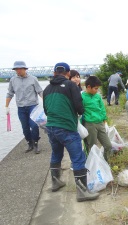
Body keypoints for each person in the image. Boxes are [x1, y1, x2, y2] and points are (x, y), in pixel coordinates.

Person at [43, 62, 99, 202]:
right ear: (68, 73)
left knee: (56, 154)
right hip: (66, 127)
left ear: (54, 73)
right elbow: (79, 108)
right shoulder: (71, 86)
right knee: (78, 157)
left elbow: (45, 110)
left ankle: (56, 182)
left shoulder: (47, 89)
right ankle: (82, 192)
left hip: (51, 127)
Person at [5, 61, 43, 154]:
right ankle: (30, 143)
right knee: (25, 128)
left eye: (20, 69)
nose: (18, 71)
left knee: (34, 125)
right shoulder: (13, 80)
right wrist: (6, 106)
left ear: (25, 69)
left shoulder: (33, 79)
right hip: (21, 108)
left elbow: (40, 91)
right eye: (16, 69)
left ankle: (36, 143)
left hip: (32, 106)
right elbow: (10, 93)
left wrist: (46, 102)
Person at [81, 76, 112, 161]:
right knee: (92, 147)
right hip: (89, 124)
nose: (97, 90)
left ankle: (105, 163)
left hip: (100, 123)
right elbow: (80, 113)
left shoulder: (98, 96)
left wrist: (105, 122)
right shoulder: (82, 97)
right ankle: (91, 165)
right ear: (88, 87)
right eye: (95, 88)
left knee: (108, 146)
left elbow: (102, 109)